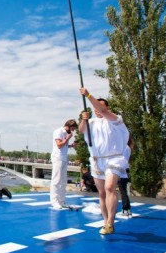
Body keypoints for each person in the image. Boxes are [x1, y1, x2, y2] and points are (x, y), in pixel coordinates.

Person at [78, 87, 129, 236]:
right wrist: (83, 119)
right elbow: (81, 131)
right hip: (97, 160)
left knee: (109, 187)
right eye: (95, 107)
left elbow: (105, 113)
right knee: (101, 193)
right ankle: (105, 221)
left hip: (114, 158)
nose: (97, 109)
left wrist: (88, 95)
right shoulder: (91, 122)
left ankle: (111, 222)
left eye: (100, 106)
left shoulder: (116, 120)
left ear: (107, 107)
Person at [50, 119, 78, 209]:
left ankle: (61, 201)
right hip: (57, 157)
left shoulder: (66, 133)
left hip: (64, 158)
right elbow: (59, 145)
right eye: (73, 128)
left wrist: (71, 145)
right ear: (69, 126)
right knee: (56, 180)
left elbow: (64, 145)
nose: (73, 131)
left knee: (63, 181)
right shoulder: (58, 131)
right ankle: (54, 202)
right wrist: (67, 138)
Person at [118, 136, 133, 216]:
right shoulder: (128, 148)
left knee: (123, 192)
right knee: (124, 192)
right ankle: (128, 208)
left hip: (121, 172)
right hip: (125, 171)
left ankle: (125, 209)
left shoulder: (123, 148)